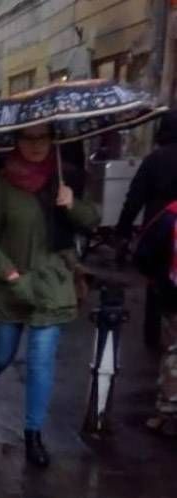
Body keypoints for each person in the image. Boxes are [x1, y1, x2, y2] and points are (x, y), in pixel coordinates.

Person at [0, 124, 100, 467]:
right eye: (29, 137)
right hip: (10, 283)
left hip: (53, 284)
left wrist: (72, 204)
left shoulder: (65, 177)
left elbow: (92, 221)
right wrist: (10, 274)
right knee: (1, 355)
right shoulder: (1, 186)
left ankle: (33, 434)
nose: (37, 145)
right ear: (17, 141)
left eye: (44, 137)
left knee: (41, 360)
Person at [116, 109, 177, 349]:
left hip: (159, 230)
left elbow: (134, 198)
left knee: (156, 283)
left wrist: (122, 231)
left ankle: (154, 340)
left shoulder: (154, 160)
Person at [132, 198, 177, 437]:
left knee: (174, 354)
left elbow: (144, 254)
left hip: (174, 298)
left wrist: (157, 280)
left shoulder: (170, 215)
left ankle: (167, 410)